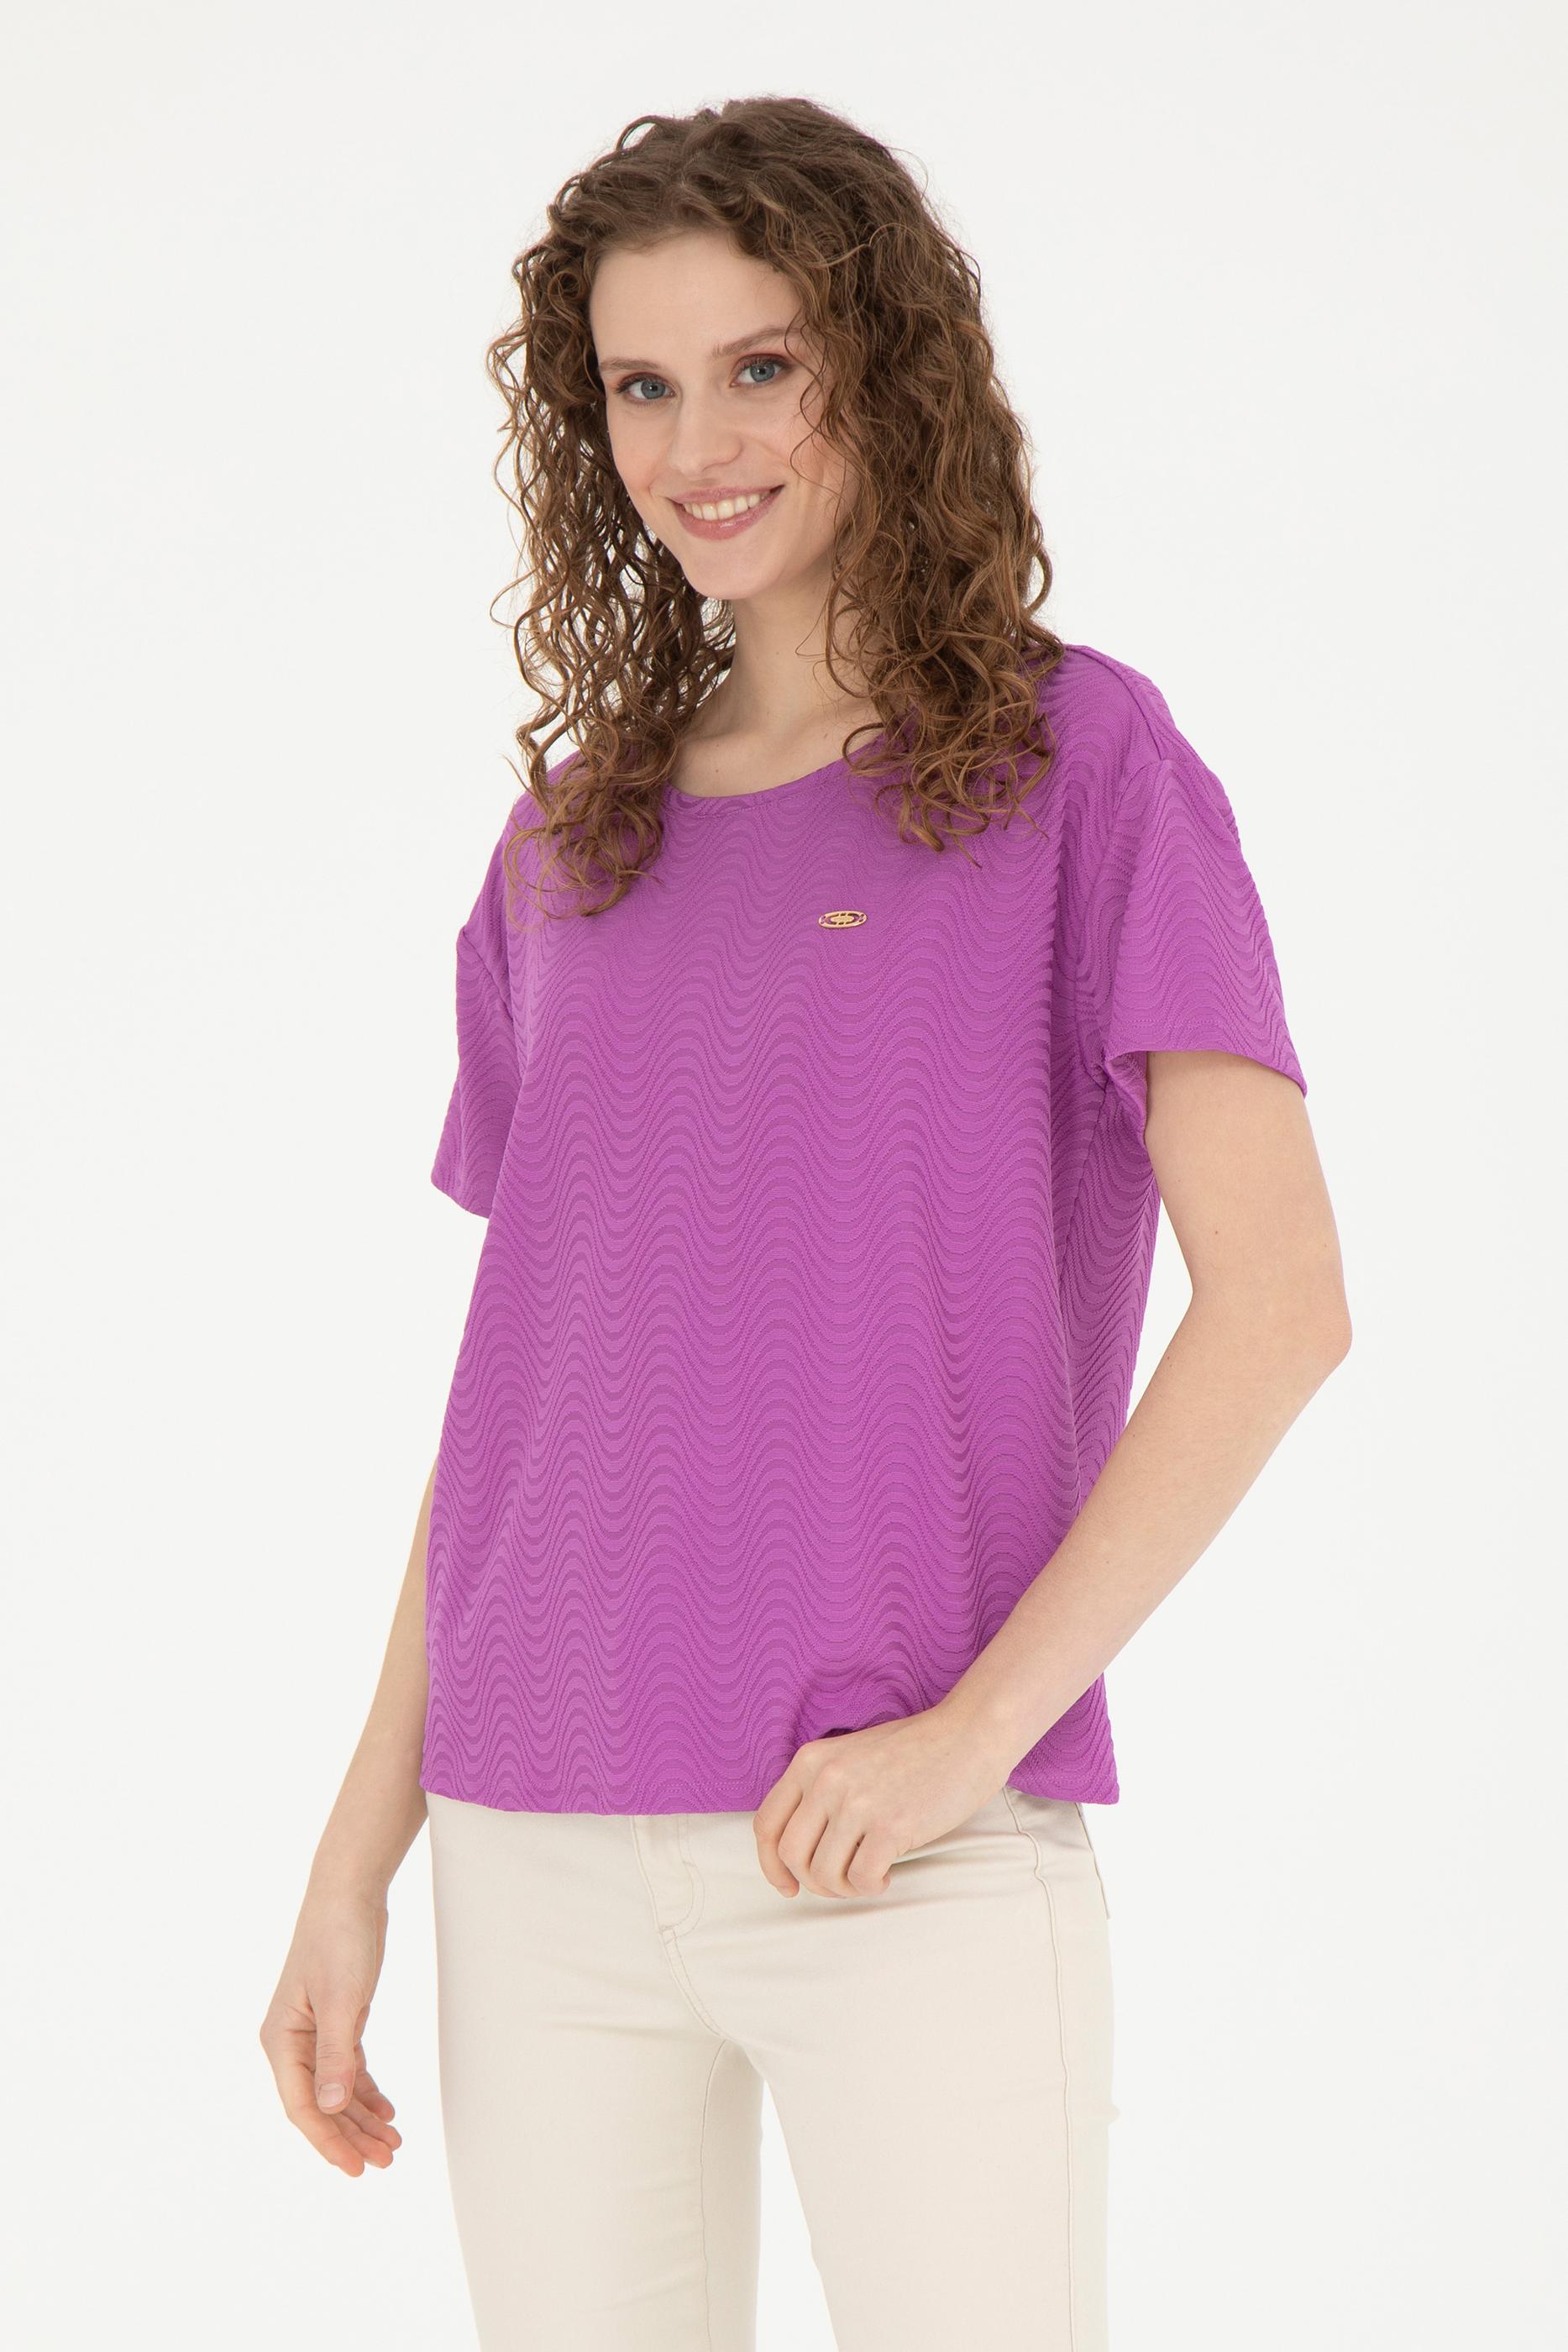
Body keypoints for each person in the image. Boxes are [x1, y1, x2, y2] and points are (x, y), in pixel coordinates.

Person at [260, 94, 1351, 2351]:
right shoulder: (568, 845)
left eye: (761, 366)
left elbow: (1281, 1310)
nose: (698, 446)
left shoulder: (1080, 766)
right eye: (640, 386)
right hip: (534, 1844)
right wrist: (358, 1856)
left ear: (887, 367)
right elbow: (523, 1398)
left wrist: (974, 1739)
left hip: (909, 1849)